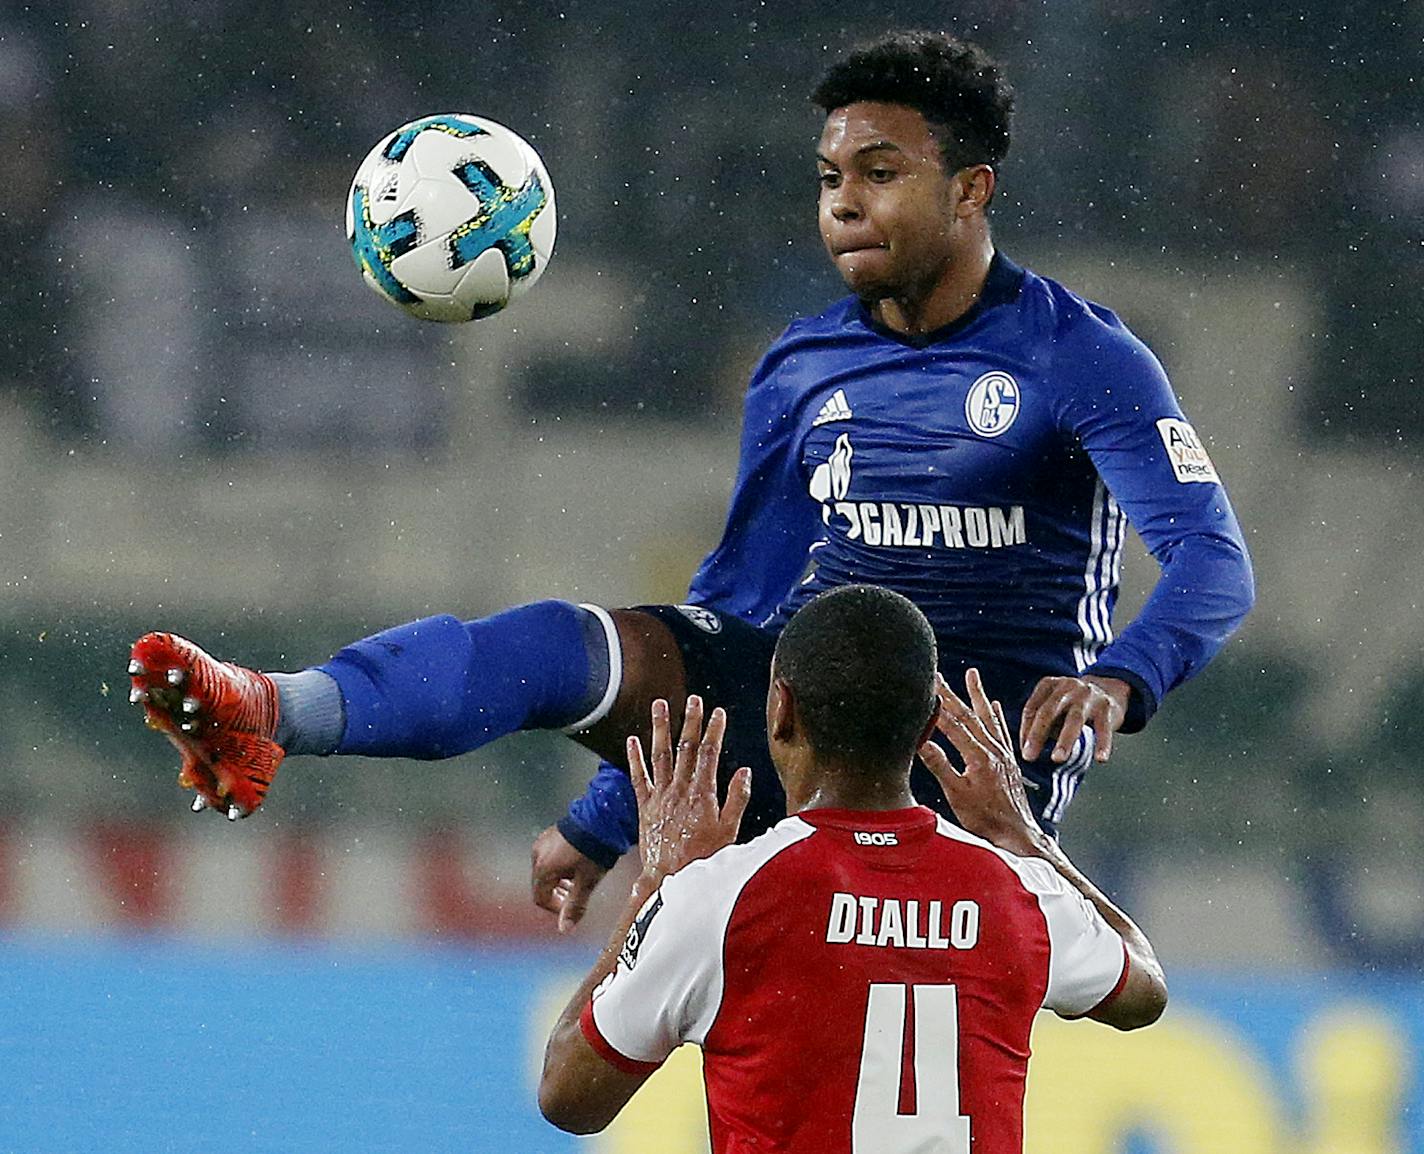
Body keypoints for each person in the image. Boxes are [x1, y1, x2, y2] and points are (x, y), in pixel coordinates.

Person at [127, 31, 1252, 924]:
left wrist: (1118, 678)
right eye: (827, 178)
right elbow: (733, 610)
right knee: (575, 645)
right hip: (804, 727)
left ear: (970, 190)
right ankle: (277, 710)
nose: (843, 204)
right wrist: (602, 820)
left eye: (880, 173)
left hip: (967, 776)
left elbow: (1211, 562)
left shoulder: (1081, 356)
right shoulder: (803, 365)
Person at [538, 585, 1167, 1152]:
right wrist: (1023, 835)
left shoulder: (718, 899)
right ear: (927, 728)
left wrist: (654, 885)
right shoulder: (1016, 892)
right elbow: (1144, 987)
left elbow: (568, 1097)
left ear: (779, 710)